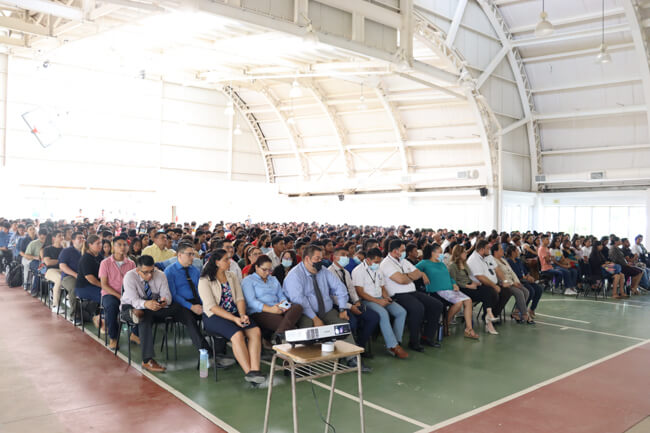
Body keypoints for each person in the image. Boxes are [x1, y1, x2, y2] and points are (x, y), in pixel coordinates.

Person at [283, 245, 368, 371]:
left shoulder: (323, 270)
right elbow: (300, 300)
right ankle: (303, 364)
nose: (320, 262)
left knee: (343, 325)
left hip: (326, 310)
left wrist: (342, 309)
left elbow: (340, 288)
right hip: (305, 312)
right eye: (317, 259)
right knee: (307, 329)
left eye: (321, 258)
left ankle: (352, 358)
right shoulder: (294, 275)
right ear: (307, 259)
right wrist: (315, 318)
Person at [198, 249, 266, 384]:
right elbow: (212, 307)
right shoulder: (204, 280)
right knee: (237, 335)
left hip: (235, 313)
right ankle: (249, 372)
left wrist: (242, 315)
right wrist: (235, 319)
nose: (229, 262)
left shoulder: (232, 276)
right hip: (214, 317)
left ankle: (255, 369)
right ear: (217, 262)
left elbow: (240, 298)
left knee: (255, 331)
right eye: (226, 259)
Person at [380, 239, 443, 351]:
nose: (404, 252)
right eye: (402, 250)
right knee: (418, 308)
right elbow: (400, 280)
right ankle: (414, 342)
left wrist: (407, 276)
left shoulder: (403, 261)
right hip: (398, 295)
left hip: (412, 292)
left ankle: (426, 337)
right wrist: (409, 276)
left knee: (436, 304)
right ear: (395, 251)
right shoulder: (386, 264)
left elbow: (418, 273)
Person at [121, 255, 176, 372]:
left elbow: (168, 297)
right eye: (145, 272)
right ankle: (147, 361)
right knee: (142, 315)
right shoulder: (129, 277)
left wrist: (163, 302)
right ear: (137, 270)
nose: (150, 275)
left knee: (179, 309)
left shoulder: (160, 274)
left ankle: (204, 348)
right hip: (131, 305)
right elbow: (134, 300)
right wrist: (146, 304)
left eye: (152, 271)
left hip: (153, 306)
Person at [352, 248, 408, 358]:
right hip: (367, 300)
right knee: (383, 313)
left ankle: (396, 341)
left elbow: (382, 287)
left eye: (379, 262)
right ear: (368, 260)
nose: (378, 264)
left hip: (380, 298)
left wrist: (386, 297)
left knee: (401, 312)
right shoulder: (358, 271)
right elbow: (360, 293)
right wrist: (378, 301)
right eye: (376, 262)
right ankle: (392, 345)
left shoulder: (378, 269)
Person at [416, 244, 479, 339]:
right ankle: (446, 324)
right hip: (438, 290)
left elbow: (449, 277)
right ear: (433, 253)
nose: (442, 254)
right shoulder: (424, 263)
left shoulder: (441, 264)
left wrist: (454, 284)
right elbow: (411, 270)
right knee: (458, 303)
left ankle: (469, 330)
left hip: (450, 288)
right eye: (439, 252)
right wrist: (423, 274)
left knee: (468, 301)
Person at [164, 242, 214, 355]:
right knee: (189, 318)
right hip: (181, 304)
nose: (193, 257)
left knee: (214, 312)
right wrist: (191, 307)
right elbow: (173, 295)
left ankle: (220, 346)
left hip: (197, 301)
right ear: (179, 255)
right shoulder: (169, 271)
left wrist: (204, 304)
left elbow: (200, 289)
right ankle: (205, 350)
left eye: (193, 254)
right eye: (189, 254)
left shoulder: (194, 270)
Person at [242, 255, 303, 346]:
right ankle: (282, 336)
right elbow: (251, 302)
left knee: (297, 307)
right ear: (256, 267)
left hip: (278, 307)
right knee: (291, 328)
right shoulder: (248, 280)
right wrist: (271, 309)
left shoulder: (273, 279)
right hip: (260, 312)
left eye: (270, 270)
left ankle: (278, 334)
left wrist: (284, 305)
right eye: (264, 270)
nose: (267, 273)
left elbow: (281, 295)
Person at [328, 247, 380, 354]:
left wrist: (356, 301)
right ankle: (348, 353)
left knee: (373, 317)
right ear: (335, 257)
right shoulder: (329, 273)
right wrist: (350, 307)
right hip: (338, 306)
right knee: (352, 322)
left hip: (351, 303)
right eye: (343, 255)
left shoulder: (346, 272)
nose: (346, 257)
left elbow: (351, 289)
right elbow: (333, 297)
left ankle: (360, 346)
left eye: (347, 255)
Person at [448, 244, 499, 334]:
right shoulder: (453, 266)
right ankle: (489, 320)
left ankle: (488, 314)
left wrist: (474, 282)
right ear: (459, 254)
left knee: (488, 289)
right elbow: (453, 281)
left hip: (470, 285)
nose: (466, 253)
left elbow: (468, 277)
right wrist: (468, 286)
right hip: (462, 289)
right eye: (464, 252)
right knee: (486, 294)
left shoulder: (465, 264)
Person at [99, 236, 137, 349]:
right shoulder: (105, 263)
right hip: (110, 294)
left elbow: (134, 282)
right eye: (119, 245)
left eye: (125, 245)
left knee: (142, 306)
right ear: (113, 247)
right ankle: (113, 338)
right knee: (112, 307)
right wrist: (119, 296)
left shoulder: (131, 264)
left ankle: (135, 334)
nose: (122, 247)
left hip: (127, 294)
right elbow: (104, 285)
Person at [466, 240, 509, 335]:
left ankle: (493, 315)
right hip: (478, 286)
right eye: (488, 248)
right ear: (482, 249)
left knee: (506, 292)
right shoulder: (473, 259)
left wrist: (504, 281)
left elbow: (497, 269)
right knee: (492, 293)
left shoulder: (488, 256)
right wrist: (494, 286)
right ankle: (488, 319)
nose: (489, 250)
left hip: (490, 284)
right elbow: (480, 277)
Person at [491, 244, 532, 324]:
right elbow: (499, 276)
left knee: (526, 291)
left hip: (513, 282)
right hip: (504, 283)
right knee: (519, 293)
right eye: (501, 249)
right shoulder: (493, 261)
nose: (503, 251)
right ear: (495, 251)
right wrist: (512, 283)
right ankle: (524, 314)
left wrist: (517, 282)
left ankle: (516, 312)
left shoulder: (503, 260)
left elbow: (512, 272)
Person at [75, 234, 104, 331]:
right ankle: (100, 320)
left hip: (96, 285)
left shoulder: (99, 255)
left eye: (101, 243)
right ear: (90, 245)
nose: (101, 245)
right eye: (98, 243)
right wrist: (104, 286)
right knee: (105, 295)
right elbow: (90, 278)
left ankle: (101, 318)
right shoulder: (86, 258)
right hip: (84, 287)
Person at [506, 246, 542, 319]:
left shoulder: (518, 260)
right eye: (517, 250)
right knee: (530, 291)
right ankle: (520, 310)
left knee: (539, 289)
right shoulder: (509, 262)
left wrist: (529, 276)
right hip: (518, 281)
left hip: (525, 279)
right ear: (513, 252)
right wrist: (526, 278)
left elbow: (525, 271)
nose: (519, 252)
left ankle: (531, 309)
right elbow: (514, 275)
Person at [58, 231, 85, 321]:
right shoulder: (67, 251)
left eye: (83, 238)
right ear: (73, 240)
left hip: (84, 276)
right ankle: (74, 314)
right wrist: (75, 275)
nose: (82, 240)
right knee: (74, 288)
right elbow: (62, 266)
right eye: (79, 238)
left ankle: (88, 313)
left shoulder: (86, 251)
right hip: (68, 277)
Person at [42, 230, 64, 312]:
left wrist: (58, 261)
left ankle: (68, 298)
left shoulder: (65, 249)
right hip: (51, 271)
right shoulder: (47, 249)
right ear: (54, 238)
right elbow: (48, 262)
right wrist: (61, 260)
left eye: (62, 235)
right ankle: (55, 305)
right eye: (59, 236)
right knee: (59, 278)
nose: (62, 237)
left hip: (63, 269)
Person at [23, 228, 46, 295]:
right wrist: (34, 257)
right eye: (42, 238)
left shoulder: (49, 243)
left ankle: (46, 290)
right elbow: (26, 255)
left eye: (45, 238)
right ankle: (35, 290)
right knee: (39, 271)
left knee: (45, 270)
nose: (43, 240)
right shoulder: (33, 243)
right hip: (34, 261)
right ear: (38, 236)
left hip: (45, 261)